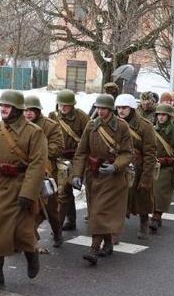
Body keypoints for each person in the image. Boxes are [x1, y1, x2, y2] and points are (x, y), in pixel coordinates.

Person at [0, 90, 47, 287]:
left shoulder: (33, 132)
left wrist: (28, 193)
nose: (3, 109)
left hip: (16, 187)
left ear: (18, 109)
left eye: (8, 106)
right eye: (2, 105)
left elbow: (37, 165)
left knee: (22, 231)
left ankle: (31, 253)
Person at [71, 94, 133, 265]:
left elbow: (128, 153)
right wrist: (77, 174)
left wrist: (115, 166)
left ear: (111, 109)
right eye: (98, 108)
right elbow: (82, 151)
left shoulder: (122, 127)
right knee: (97, 210)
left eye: (103, 108)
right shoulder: (92, 125)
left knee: (99, 211)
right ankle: (107, 244)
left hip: (113, 177)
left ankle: (94, 249)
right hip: (94, 175)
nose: (100, 111)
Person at [23, 95, 65, 247]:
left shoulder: (51, 126)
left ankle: (57, 231)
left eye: (31, 110)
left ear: (38, 111)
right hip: (25, 171)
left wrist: (38, 154)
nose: (28, 113)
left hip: (46, 171)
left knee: (50, 207)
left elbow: (58, 147)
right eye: (25, 110)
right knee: (25, 206)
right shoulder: (19, 124)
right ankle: (28, 238)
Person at [115, 94, 156, 239]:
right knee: (117, 200)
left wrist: (146, 177)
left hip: (139, 167)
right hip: (119, 165)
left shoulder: (145, 126)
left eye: (124, 108)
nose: (121, 111)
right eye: (119, 107)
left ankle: (144, 223)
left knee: (142, 197)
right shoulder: (113, 123)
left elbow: (150, 154)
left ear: (131, 108)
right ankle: (114, 231)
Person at [49, 90, 90, 232]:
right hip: (61, 159)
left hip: (78, 159)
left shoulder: (82, 117)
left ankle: (91, 215)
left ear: (72, 105)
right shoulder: (53, 116)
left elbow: (89, 136)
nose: (63, 108)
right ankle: (68, 221)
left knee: (78, 188)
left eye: (66, 105)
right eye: (61, 104)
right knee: (64, 191)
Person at [151, 104, 174, 230]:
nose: (161, 118)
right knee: (148, 192)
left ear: (170, 117)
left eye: (164, 115)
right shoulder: (151, 130)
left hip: (167, 168)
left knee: (160, 193)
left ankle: (156, 216)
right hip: (151, 166)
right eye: (159, 115)